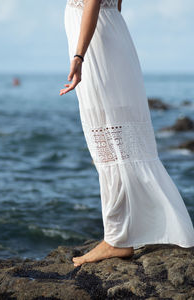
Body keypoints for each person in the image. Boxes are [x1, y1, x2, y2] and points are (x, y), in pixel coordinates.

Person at [60, 0, 194, 268]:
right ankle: (128, 230)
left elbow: (93, 2)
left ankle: (117, 240)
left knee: (108, 144)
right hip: (110, 39)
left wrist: (79, 57)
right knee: (117, 142)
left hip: (95, 47)